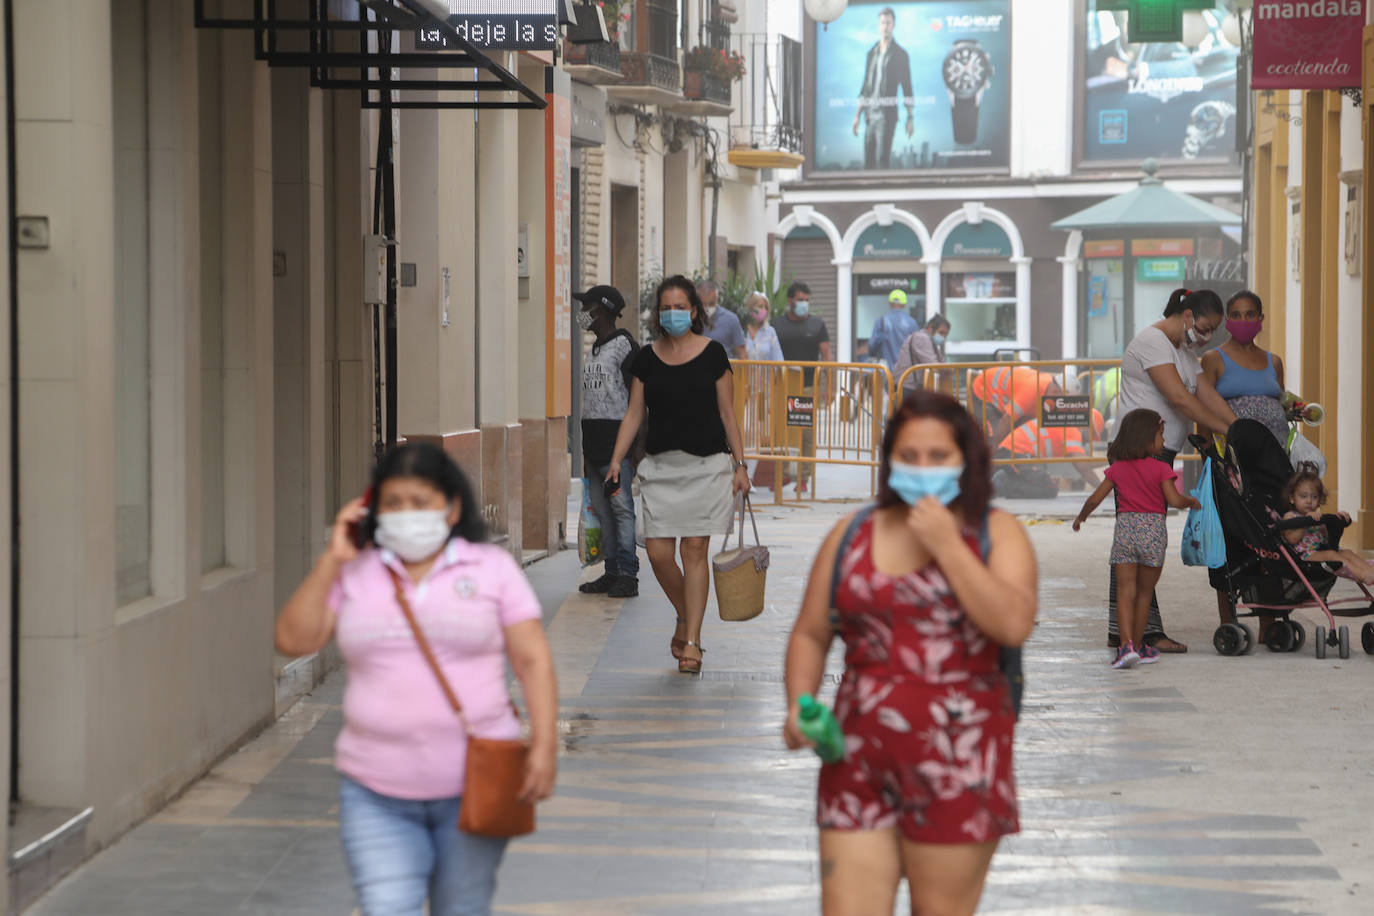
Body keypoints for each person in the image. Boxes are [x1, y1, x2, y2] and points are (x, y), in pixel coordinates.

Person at [274, 443, 558, 915]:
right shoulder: (357, 572)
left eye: (421, 502)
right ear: (373, 510)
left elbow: (532, 660)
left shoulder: (490, 569)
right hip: (374, 791)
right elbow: (294, 640)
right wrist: (332, 559)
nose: (407, 514)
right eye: (394, 503)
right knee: (387, 907)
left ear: (452, 508)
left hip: (477, 782)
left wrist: (544, 745)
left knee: (462, 907)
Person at [783, 391, 1037, 916]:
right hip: (856, 758)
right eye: (909, 456)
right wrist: (799, 703)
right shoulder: (852, 533)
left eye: (938, 457)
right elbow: (811, 633)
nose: (922, 468)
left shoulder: (996, 533)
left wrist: (948, 544)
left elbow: (1012, 624)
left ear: (966, 461)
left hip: (959, 763)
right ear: (889, 461)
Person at [606, 276, 751, 674]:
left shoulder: (713, 354)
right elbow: (635, 413)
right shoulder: (647, 359)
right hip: (661, 469)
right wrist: (617, 459)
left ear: (694, 311)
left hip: (707, 468)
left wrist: (741, 465)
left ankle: (693, 641)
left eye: (679, 307)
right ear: (658, 313)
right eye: (665, 307)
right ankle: (685, 615)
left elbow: (728, 414)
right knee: (657, 553)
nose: (672, 314)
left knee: (694, 552)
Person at [1107, 287, 1236, 654]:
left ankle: (1125, 631)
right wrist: (1226, 430)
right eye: (1206, 328)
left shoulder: (1183, 350)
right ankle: (1145, 633)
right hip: (1136, 458)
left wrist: (1239, 426)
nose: (1208, 337)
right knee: (1140, 546)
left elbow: (1204, 391)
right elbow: (1180, 397)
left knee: (1133, 544)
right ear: (1188, 315)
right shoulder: (1153, 342)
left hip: (1159, 457)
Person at [1073, 409, 1201, 669]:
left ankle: (1125, 647)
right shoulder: (1161, 468)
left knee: (1124, 593)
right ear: (1146, 438)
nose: (1164, 442)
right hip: (1153, 532)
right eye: (1160, 435)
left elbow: (1095, 498)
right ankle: (1140, 646)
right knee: (1144, 593)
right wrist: (1192, 501)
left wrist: (1081, 518)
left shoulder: (1117, 468)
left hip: (1125, 531)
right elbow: (1175, 500)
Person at [574, 284, 641, 598]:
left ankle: (629, 573)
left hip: (617, 446)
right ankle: (611, 571)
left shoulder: (625, 345)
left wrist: (635, 450)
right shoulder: (596, 347)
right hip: (594, 446)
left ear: (600, 310)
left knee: (622, 510)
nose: (582, 313)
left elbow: (641, 401)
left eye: (586, 306)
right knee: (604, 512)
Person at [1200, 290, 1288, 446]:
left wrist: (1300, 410)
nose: (1243, 321)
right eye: (1235, 315)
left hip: (1276, 450)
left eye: (1250, 315)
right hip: (1234, 452)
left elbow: (1282, 405)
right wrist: (1206, 451)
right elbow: (1203, 410)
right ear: (1227, 320)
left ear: (1261, 318)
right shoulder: (1213, 359)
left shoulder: (1274, 362)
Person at [774, 281, 832, 495]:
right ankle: (784, 474)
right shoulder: (777, 324)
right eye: (800, 300)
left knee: (806, 433)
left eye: (807, 301)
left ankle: (804, 477)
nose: (804, 304)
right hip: (782, 387)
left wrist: (830, 387)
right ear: (790, 301)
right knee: (782, 432)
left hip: (807, 387)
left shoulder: (816, 324)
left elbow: (826, 354)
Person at [1280, 465, 1374, 584]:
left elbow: (1326, 537)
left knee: (1346, 552)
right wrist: (1305, 521)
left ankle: (1369, 569)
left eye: (1314, 497)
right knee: (1332, 554)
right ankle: (1363, 575)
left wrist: (1338, 517)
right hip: (1304, 556)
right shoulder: (1290, 516)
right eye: (1303, 496)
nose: (1309, 501)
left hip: (1321, 551)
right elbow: (1291, 539)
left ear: (1319, 499)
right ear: (1292, 498)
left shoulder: (1317, 515)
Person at [851, 6, 915, 170]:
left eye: (888, 22)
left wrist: (910, 118)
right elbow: (865, 86)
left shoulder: (901, 54)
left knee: (882, 160)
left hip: (887, 116)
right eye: (882, 23)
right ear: (878, 25)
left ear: (893, 25)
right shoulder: (871, 53)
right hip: (870, 115)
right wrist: (857, 116)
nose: (885, 26)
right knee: (869, 162)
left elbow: (907, 87)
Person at [893, 313, 951, 396]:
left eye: (945, 334)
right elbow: (935, 365)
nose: (943, 337)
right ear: (930, 328)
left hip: (911, 387)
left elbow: (942, 363)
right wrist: (947, 369)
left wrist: (946, 369)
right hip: (907, 388)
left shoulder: (931, 341)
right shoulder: (921, 338)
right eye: (941, 333)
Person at [866, 289, 918, 369]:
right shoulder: (912, 323)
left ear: (890, 303)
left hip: (886, 371)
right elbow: (916, 347)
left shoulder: (881, 321)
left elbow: (872, 345)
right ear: (904, 304)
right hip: (906, 372)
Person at [698, 278, 747, 359]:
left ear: (717, 298)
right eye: (703, 304)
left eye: (711, 303)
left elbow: (742, 352)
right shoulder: (690, 319)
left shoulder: (731, 319)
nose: (707, 308)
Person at [742, 292, 783, 361]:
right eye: (760, 306)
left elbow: (778, 359)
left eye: (766, 308)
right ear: (750, 308)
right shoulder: (741, 329)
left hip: (766, 372)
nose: (764, 310)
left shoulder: (770, 332)